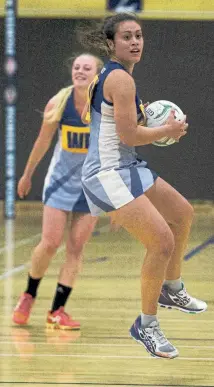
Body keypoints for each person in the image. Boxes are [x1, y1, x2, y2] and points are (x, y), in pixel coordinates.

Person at [80, 13, 207, 358]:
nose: (135, 42)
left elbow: (97, 118)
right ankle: (146, 326)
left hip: (126, 165)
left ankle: (171, 288)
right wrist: (165, 131)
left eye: (139, 36)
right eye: (127, 37)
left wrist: (139, 114)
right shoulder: (121, 80)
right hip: (107, 173)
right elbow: (128, 135)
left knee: (181, 213)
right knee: (162, 240)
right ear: (111, 44)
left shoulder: (113, 78)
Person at [13, 53, 103, 330]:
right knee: (50, 242)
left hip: (92, 186)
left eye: (86, 68)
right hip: (60, 182)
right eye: (76, 67)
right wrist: (27, 174)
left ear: (97, 74)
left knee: (76, 247)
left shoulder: (106, 105)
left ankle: (57, 310)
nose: (80, 71)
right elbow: (42, 141)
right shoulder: (59, 102)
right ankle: (28, 294)